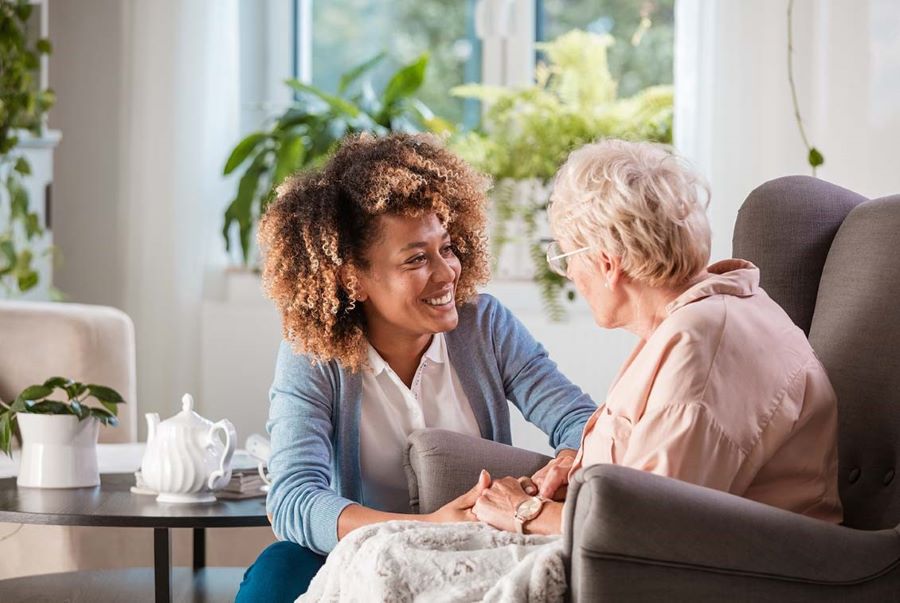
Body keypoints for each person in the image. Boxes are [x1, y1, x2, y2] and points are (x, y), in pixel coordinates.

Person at [235, 133, 597, 602]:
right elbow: (293, 499)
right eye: (416, 259)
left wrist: (565, 466)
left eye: (447, 248)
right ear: (352, 279)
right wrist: (425, 527)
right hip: (358, 553)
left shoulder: (484, 325)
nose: (448, 273)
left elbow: (580, 422)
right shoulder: (313, 353)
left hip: (474, 548)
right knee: (277, 571)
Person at [471, 139, 843, 536]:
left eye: (564, 257)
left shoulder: (701, 346)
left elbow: (650, 530)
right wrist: (582, 472)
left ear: (607, 263)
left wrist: (525, 512)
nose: (570, 275)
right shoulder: (706, 314)